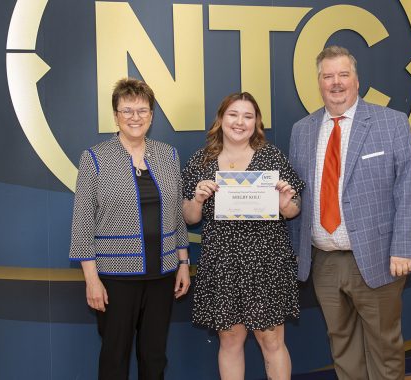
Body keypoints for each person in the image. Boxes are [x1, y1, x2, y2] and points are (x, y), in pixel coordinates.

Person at [288, 46, 411, 379]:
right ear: (318, 83)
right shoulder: (301, 130)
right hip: (323, 261)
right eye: (328, 76)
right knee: (342, 344)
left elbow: (410, 186)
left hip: (378, 258)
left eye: (343, 75)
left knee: (384, 346)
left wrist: (404, 247)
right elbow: (296, 193)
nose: (336, 83)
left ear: (357, 80)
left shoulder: (391, 123)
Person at [69, 77, 190, 380]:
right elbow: (82, 225)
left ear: (151, 115)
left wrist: (184, 263)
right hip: (114, 280)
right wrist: (92, 281)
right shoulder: (95, 158)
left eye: (142, 110)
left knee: (154, 358)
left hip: (161, 276)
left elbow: (175, 215)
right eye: (127, 111)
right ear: (116, 115)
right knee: (114, 358)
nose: (135, 117)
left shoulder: (168, 155)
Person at [182, 92, 304, 380]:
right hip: (223, 264)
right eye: (233, 114)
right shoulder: (201, 161)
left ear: (256, 123)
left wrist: (284, 202)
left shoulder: (271, 157)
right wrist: (197, 199)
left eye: (248, 116)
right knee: (230, 340)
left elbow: (294, 209)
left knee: (272, 340)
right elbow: (189, 218)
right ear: (221, 119)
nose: (240, 122)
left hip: (266, 263)